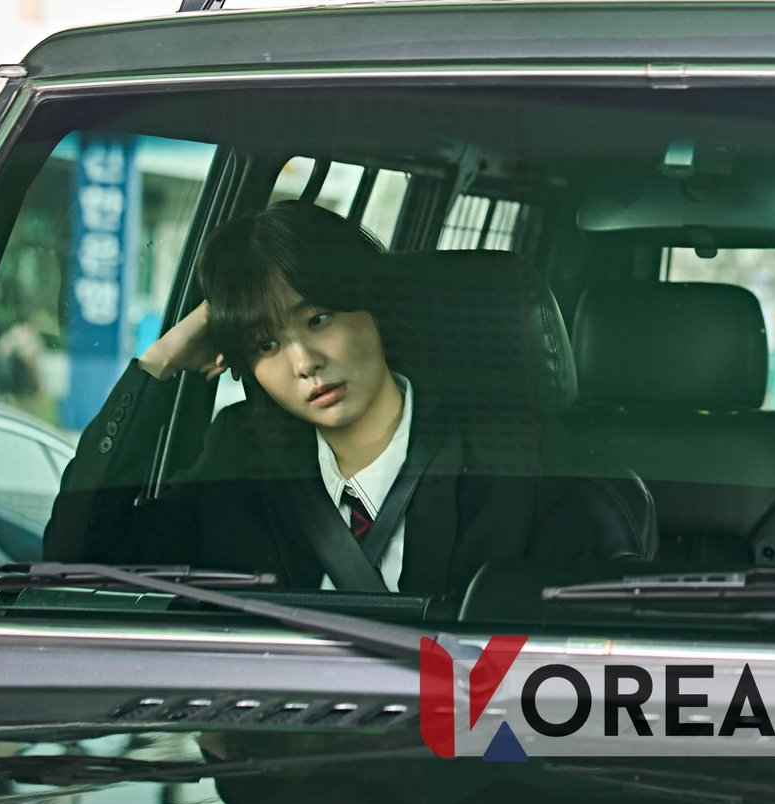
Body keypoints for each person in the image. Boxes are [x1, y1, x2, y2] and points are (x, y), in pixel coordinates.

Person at [45, 201, 651, 597]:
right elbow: (81, 558)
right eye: (265, 344)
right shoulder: (239, 456)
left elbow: (559, 674)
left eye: (319, 319)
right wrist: (159, 363)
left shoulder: (518, 460)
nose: (304, 362)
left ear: (374, 309)